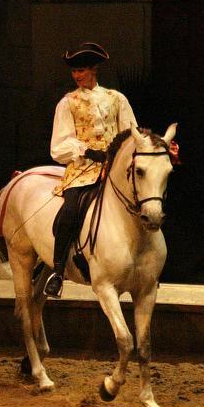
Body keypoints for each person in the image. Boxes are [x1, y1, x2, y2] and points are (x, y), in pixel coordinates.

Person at [44, 42, 138, 298]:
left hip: (114, 168)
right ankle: (58, 271)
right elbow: (59, 144)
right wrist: (86, 151)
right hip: (83, 169)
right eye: (74, 71)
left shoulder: (116, 99)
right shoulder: (68, 103)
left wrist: (117, 154)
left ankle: (145, 268)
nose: (77, 75)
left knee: (143, 200)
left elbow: (131, 133)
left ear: (93, 69)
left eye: (82, 70)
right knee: (70, 211)